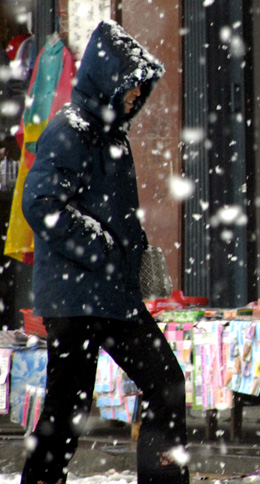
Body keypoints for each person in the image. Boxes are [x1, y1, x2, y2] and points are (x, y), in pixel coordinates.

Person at [20, 21, 189, 484]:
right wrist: (104, 248)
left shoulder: (112, 135)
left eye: (139, 89)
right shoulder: (69, 130)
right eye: (130, 87)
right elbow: (39, 204)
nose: (136, 97)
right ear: (106, 79)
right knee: (65, 414)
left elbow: (108, 211)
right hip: (75, 299)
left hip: (111, 296)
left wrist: (135, 256)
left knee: (167, 383)